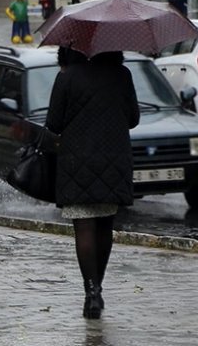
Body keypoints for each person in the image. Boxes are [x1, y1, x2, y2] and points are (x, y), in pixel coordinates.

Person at [45, 50, 140, 320]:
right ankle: (98, 287)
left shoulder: (67, 77)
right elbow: (133, 119)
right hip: (113, 160)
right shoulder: (122, 75)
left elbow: (53, 122)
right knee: (104, 226)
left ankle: (91, 292)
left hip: (77, 161)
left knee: (84, 225)